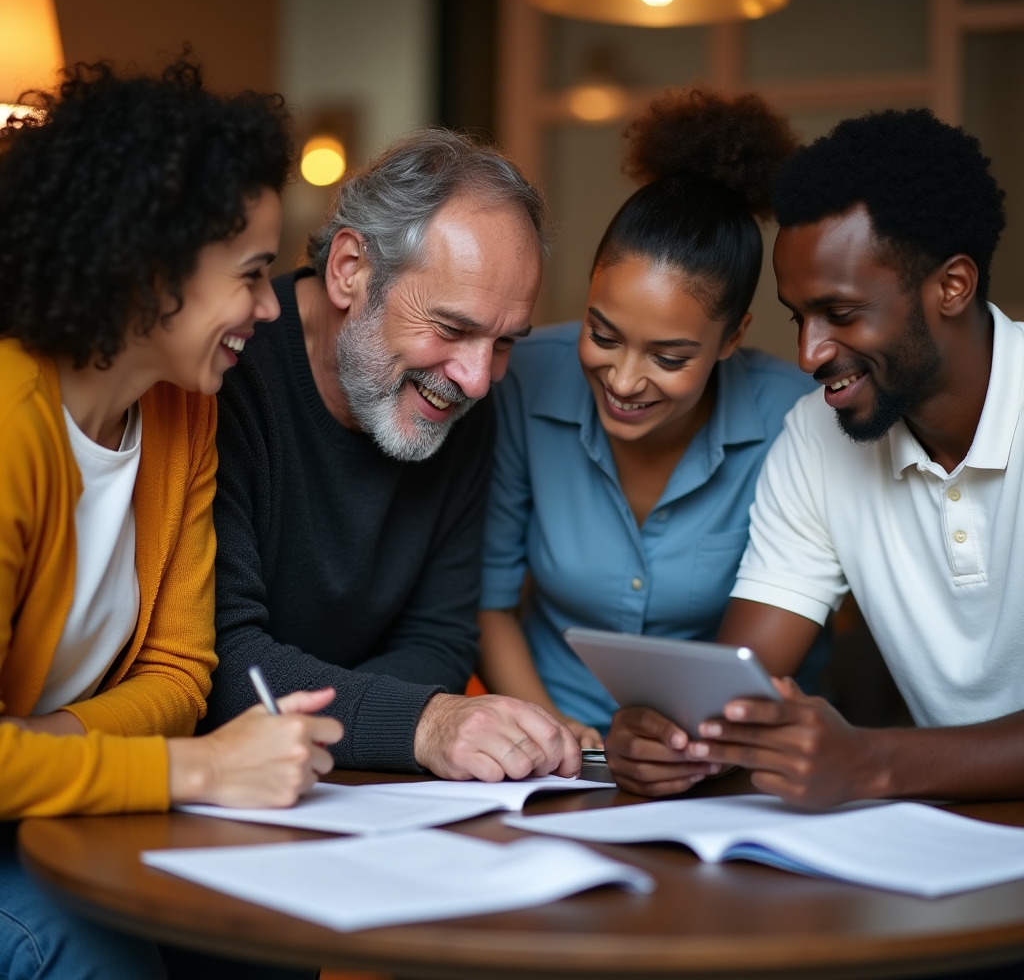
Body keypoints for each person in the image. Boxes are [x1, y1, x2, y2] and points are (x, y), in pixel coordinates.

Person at [0, 59, 342, 980]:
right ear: (149, 274)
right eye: (254, 275)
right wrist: (197, 771)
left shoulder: (184, 407)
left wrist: (39, 748)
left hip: (54, 805)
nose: (270, 310)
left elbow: (182, 672)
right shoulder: (7, 425)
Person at [605, 107, 1024, 808]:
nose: (809, 354)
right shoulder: (816, 437)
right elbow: (737, 692)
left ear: (951, 285)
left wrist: (876, 762)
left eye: (842, 313)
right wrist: (672, 739)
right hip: (952, 845)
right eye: (799, 317)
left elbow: (871, 762)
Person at [205, 129, 581, 781]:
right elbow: (218, 661)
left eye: (504, 343)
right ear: (351, 270)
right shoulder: (224, 375)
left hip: (350, 789)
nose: (477, 378)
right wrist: (421, 722)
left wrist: (376, 723)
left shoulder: (465, 398)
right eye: (453, 329)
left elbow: (438, 639)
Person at [476, 89, 816, 749]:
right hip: (554, 746)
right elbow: (488, 604)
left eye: (668, 356)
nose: (625, 380)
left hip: (720, 753)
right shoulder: (524, 378)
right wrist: (556, 733)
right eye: (603, 335)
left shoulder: (791, 420)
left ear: (731, 337)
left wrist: (682, 750)